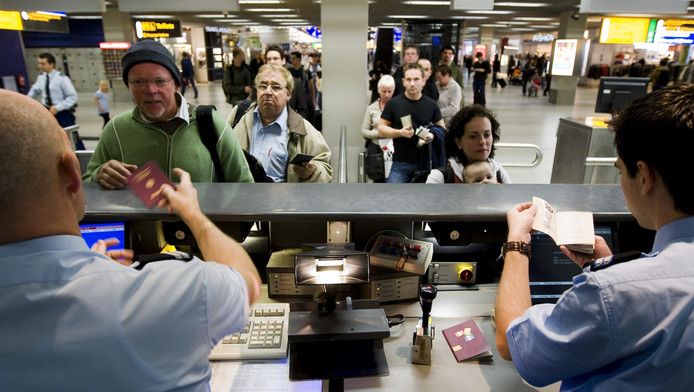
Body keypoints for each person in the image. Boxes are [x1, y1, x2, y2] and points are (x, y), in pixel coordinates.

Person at [0, 88, 262, 390]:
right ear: (73, 173)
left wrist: (95, 268)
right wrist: (194, 215)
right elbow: (247, 284)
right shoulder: (180, 290)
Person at [495, 83, 694, 390]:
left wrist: (517, 243)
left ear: (644, 176)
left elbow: (514, 343)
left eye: (619, 170)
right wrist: (617, 270)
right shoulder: (620, 286)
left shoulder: (609, 294)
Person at [83, 39, 253, 187]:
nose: (150, 90)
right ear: (129, 86)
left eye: (160, 81)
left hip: (199, 223)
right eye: (138, 82)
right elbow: (86, 185)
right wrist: (99, 175)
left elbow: (244, 183)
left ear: (176, 84)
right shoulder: (116, 130)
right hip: (142, 225)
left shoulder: (210, 123)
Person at [233, 64, 332, 183]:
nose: (268, 92)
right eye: (263, 86)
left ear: (288, 94)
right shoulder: (241, 118)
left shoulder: (303, 130)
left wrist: (312, 172)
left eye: (276, 87)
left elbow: (326, 170)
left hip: (281, 199)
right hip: (243, 197)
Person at [379, 62, 445, 183]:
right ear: (403, 82)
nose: (412, 83)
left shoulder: (431, 104)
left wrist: (432, 135)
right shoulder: (393, 103)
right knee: (392, 199)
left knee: (425, 201)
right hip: (401, 164)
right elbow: (381, 128)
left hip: (426, 164)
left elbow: (442, 129)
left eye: (416, 79)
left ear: (424, 81)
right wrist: (400, 132)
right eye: (408, 80)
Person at [426, 104, 511, 184]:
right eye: (473, 136)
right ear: (458, 142)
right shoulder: (440, 177)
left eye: (487, 135)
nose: (482, 141)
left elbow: (513, 199)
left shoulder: (499, 172)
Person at [27, 52, 78, 128]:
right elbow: (35, 90)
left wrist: (57, 108)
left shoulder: (62, 78)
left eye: (43, 64)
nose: (40, 66)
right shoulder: (41, 77)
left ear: (51, 64)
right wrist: (25, 99)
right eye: (39, 63)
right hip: (46, 111)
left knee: (69, 136)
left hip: (61, 112)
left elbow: (72, 97)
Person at [361, 75, 396, 182]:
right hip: (376, 149)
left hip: (394, 148)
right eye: (384, 91)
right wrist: (379, 134)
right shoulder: (371, 108)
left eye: (390, 91)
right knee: (378, 182)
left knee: (394, 180)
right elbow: (364, 131)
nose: (387, 94)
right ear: (378, 90)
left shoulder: (398, 106)